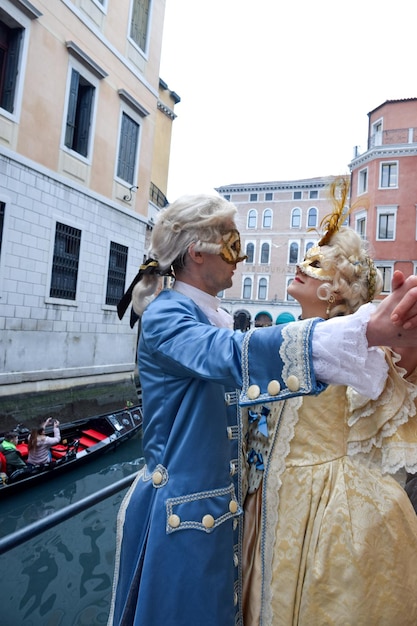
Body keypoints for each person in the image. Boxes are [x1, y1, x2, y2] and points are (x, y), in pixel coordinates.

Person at [109, 192, 417, 626]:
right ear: (197, 251)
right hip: (184, 527)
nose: (244, 255)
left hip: (233, 521)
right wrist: (364, 330)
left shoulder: (209, 316)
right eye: (233, 243)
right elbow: (230, 356)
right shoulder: (168, 315)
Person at [242, 178, 417, 626]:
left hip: (323, 514)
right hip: (267, 501)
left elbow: (399, 377)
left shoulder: (358, 343)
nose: (303, 266)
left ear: (338, 287)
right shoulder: (275, 340)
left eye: (320, 264)